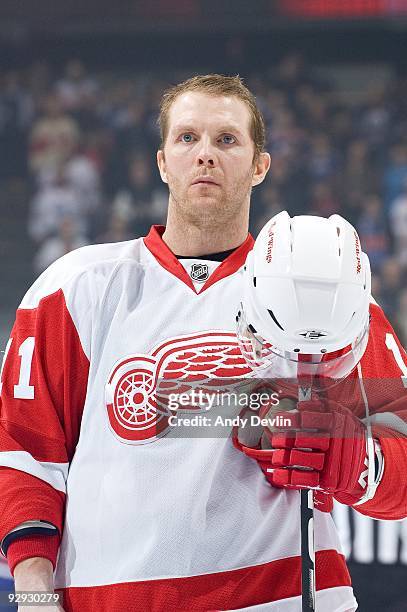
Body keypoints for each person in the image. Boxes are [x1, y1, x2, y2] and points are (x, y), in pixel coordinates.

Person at [0, 74, 406, 612]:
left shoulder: (322, 285)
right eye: (187, 138)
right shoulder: (77, 288)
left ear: (261, 166)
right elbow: (25, 453)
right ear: (163, 161)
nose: (205, 155)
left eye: (227, 139)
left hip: (279, 599)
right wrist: (34, 593)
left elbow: (400, 449)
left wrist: (357, 459)